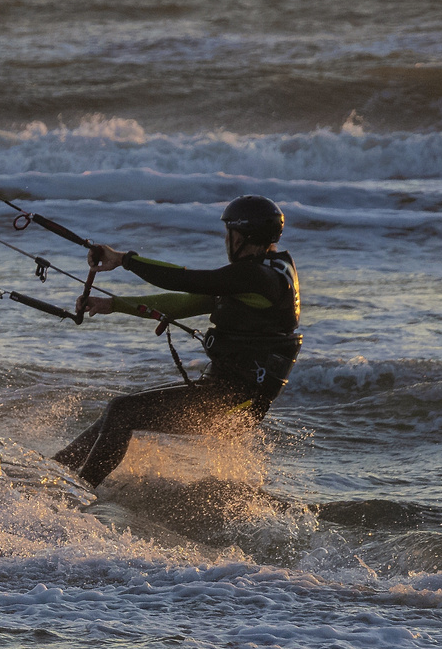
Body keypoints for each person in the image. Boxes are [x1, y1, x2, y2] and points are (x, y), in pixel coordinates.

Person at [54, 195, 302, 487]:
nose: (226, 240)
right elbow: (186, 302)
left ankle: (77, 491)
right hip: (229, 394)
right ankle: (56, 471)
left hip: (233, 404)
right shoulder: (266, 271)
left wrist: (124, 260)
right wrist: (113, 304)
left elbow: (184, 280)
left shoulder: (256, 278)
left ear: (242, 236)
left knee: (122, 412)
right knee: (117, 412)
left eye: (229, 233)